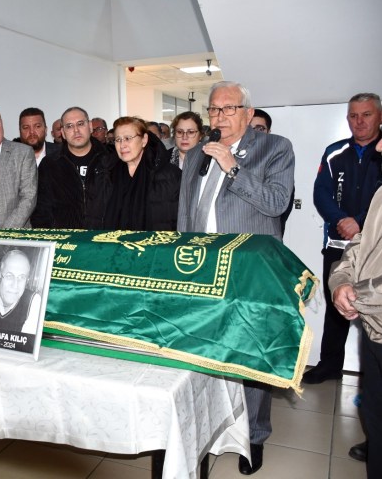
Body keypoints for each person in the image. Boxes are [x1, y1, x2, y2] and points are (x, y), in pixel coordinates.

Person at [177, 81, 295, 475]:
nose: (220, 116)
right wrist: (184, 258)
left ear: (247, 112)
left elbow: (276, 203)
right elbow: (186, 211)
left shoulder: (275, 148)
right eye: (214, 109)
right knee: (206, 351)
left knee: (250, 354)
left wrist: (232, 166)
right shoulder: (197, 152)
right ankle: (207, 428)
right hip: (204, 268)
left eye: (229, 109)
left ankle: (255, 436)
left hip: (249, 271)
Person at [304, 93, 382, 385]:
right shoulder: (334, 152)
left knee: (374, 308)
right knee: (337, 306)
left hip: (375, 251)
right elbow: (321, 193)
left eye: (366, 114)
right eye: (353, 115)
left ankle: (371, 373)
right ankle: (330, 365)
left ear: (379, 117)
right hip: (337, 246)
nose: (359, 121)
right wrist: (340, 220)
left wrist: (359, 222)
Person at [328, 137, 382, 478]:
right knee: (375, 420)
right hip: (374, 329)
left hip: (372, 310)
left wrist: (354, 295)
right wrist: (340, 282)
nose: (378, 148)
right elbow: (360, 246)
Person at [31, 106, 117, 229]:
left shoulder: (111, 161)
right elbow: (41, 211)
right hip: (65, 238)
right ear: (63, 133)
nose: (76, 130)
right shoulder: (50, 164)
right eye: (69, 126)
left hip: (104, 238)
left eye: (80, 124)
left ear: (90, 126)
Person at [105, 116, 181, 230]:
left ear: (144, 140)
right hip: (113, 241)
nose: (122, 145)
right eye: (118, 139)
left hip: (156, 241)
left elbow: (179, 220)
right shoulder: (106, 173)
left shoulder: (170, 175)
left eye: (128, 138)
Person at [0, 249, 40, 335]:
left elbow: (27, 341)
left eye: (21, 277)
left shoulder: (33, 301)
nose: (15, 285)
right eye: (9, 276)